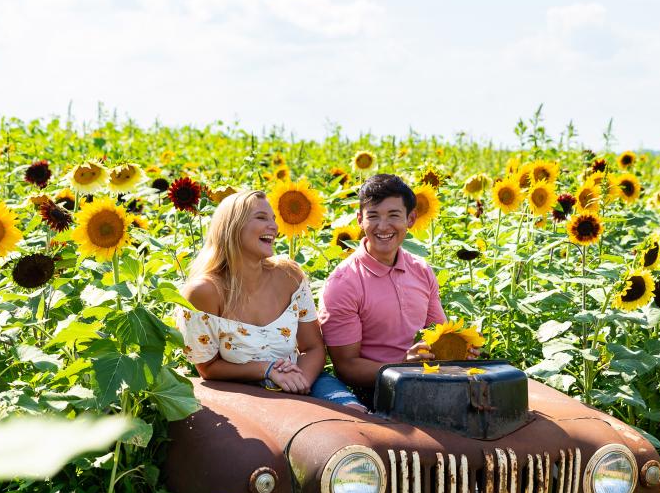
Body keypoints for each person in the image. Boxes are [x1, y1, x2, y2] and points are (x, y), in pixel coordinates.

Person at [176, 190, 366, 411]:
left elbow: (313, 347)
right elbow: (208, 368)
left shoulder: (289, 275)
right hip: (242, 391)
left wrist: (296, 381)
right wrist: (266, 370)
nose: (274, 227)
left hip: (304, 380)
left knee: (357, 416)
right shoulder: (203, 292)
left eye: (273, 219)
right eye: (261, 217)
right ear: (232, 226)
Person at [319, 174, 476, 400]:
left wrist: (461, 349)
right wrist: (401, 367)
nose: (383, 226)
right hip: (376, 393)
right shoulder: (343, 283)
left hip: (429, 381)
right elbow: (347, 367)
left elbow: (438, 334)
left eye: (394, 215)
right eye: (373, 216)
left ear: (410, 219)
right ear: (359, 220)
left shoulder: (421, 270)